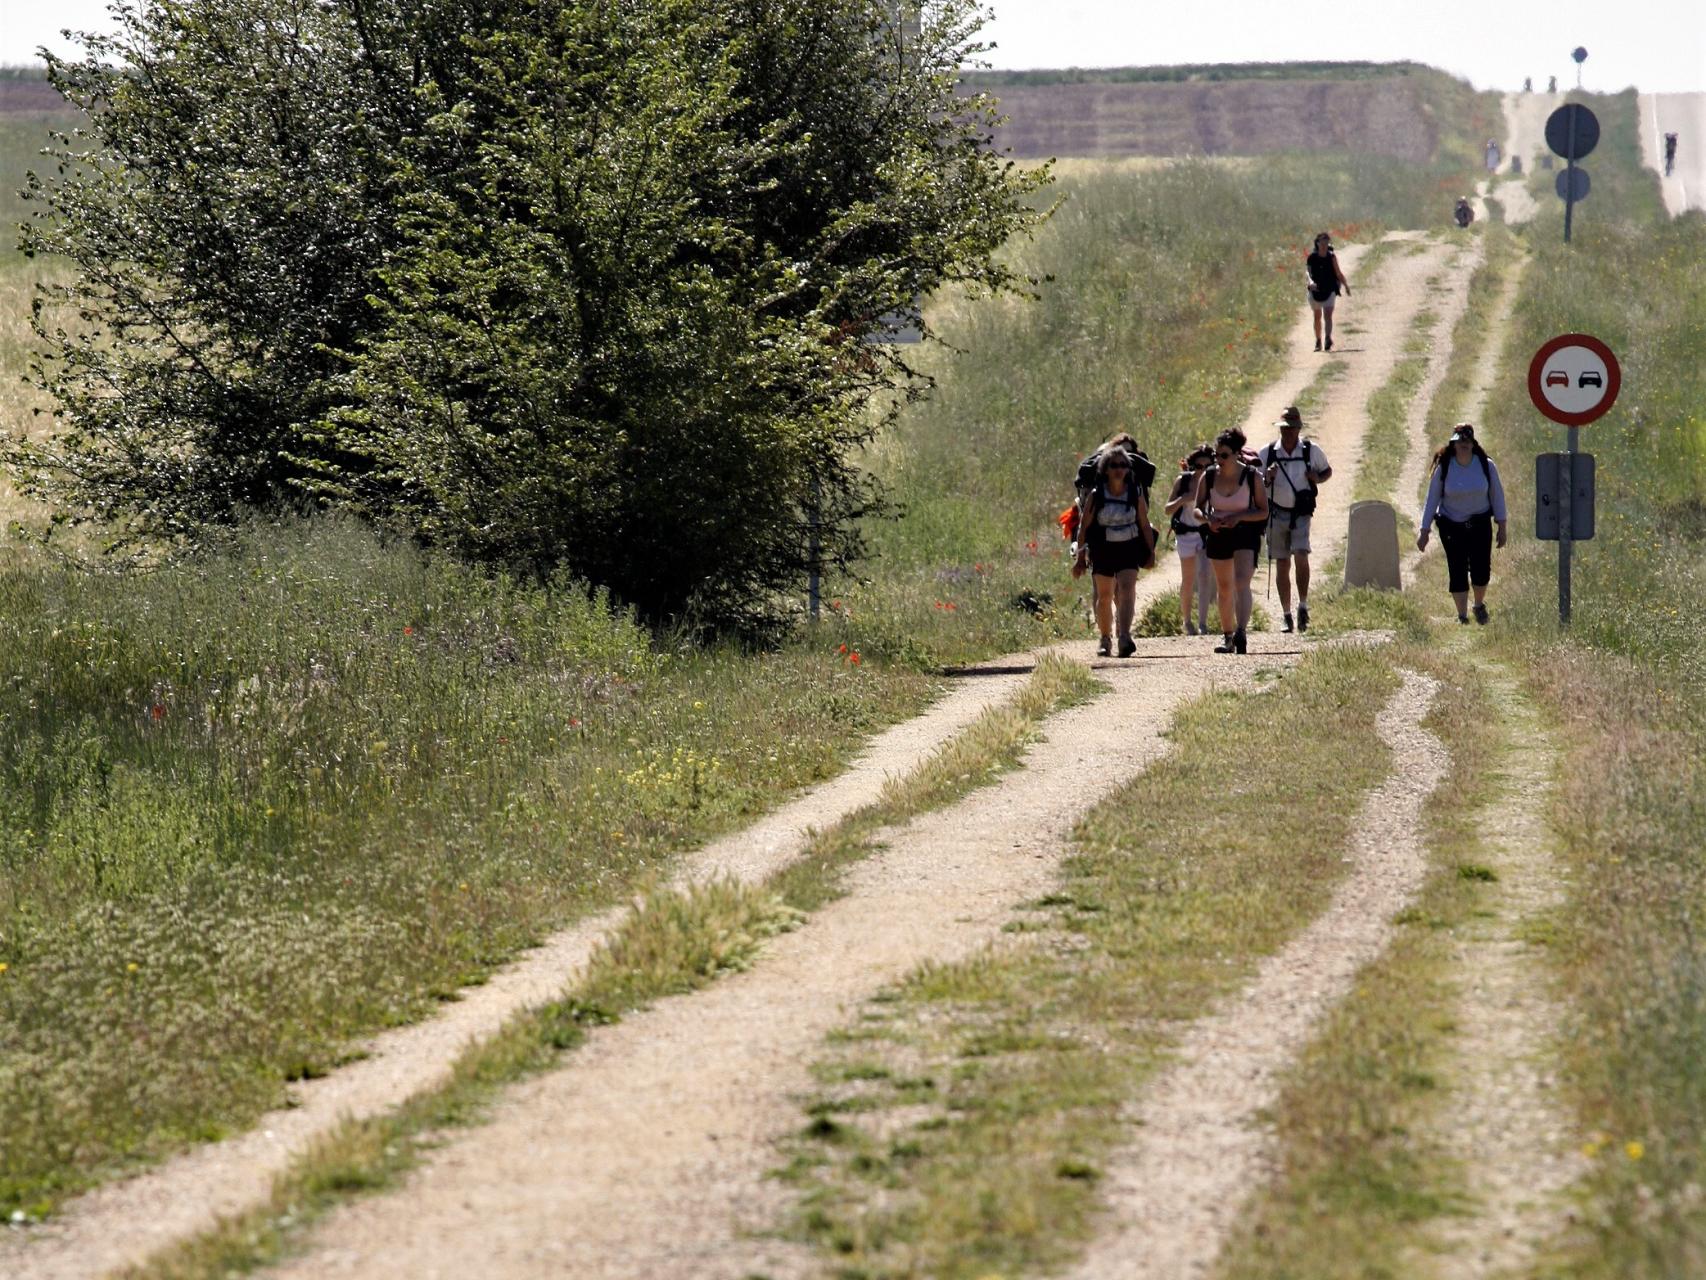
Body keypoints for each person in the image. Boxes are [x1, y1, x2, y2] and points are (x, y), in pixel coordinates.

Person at [1416, 423, 1508, 625]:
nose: (1463, 445)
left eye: (1467, 441)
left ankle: (1478, 604)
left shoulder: (1485, 465)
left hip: (1480, 522)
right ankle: (1462, 616)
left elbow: (1497, 496)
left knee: (1481, 568)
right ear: (1454, 444)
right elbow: (1432, 500)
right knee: (1456, 568)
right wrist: (1424, 531)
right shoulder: (1445, 467)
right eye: (1460, 442)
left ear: (1473, 444)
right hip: (1452, 525)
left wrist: (1502, 526)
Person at [1072, 448, 1155, 656]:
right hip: (1103, 549)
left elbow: (1144, 524)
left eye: (1123, 465)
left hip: (1129, 547)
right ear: (1105, 469)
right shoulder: (1096, 494)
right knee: (1105, 595)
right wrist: (1081, 557)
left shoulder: (1134, 492)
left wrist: (1150, 551)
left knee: (1127, 590)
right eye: (1114, 465)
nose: (1119, 470)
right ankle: (1105, 637)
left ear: (1128, 470)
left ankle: (1125, 636)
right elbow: (1083, 528)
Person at [1193, 428, 1268, 654]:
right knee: (1224, 587)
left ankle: (1241, 631)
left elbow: (1263, 511)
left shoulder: (1252, 476)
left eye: (1224, 455)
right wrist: (1208, 520)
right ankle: (1227, 636)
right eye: (1217, 455)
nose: (1219, 460)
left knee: (1241, 580)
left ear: (1237, 454)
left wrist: (1240, 517)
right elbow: (1197, 509)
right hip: (1218, 533)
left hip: (1245, 532)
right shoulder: (1209, 477)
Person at [1260, 407, 1332, 634]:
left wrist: (1316, 478)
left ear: (1299, 429)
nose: (1288, 433)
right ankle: (1286, 615)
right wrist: (1266, 478)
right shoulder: (1268, 453)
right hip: (1276, 513)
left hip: (1301, 513)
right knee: (1282, 563)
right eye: (1284, 428)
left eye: (1291, 428)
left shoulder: (1311, 450)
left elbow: (1327, 471)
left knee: (1301, 555)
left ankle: (1302, 605)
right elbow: (1255, 483)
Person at [1163, 443, 1217, 635]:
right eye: (1198, 466)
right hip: (1186, 535)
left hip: (1205, 533)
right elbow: (1167, 509)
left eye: (1207, 466)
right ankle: (1187, 621)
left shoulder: (1215, 480)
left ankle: (1202, 624)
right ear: (1192, 466)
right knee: (1188, 579)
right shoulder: (1183, 481)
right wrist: (1183, 499)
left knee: (1204, 576)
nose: (1202, 470)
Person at [1304, 232, 1350, 352]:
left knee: (1328, 315)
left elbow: (1338, 273)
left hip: (1329, 289)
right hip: (1315, 291)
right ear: (1317, 243)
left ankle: (1328, 338)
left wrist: (1345, 285)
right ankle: (1318, 340)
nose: (1324, 245)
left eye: (1326, 243)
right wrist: (1310, 282)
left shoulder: (1331, 257)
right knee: (1317, 317)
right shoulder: (1311, 257)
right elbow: (1308, 273)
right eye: (1322, 243)